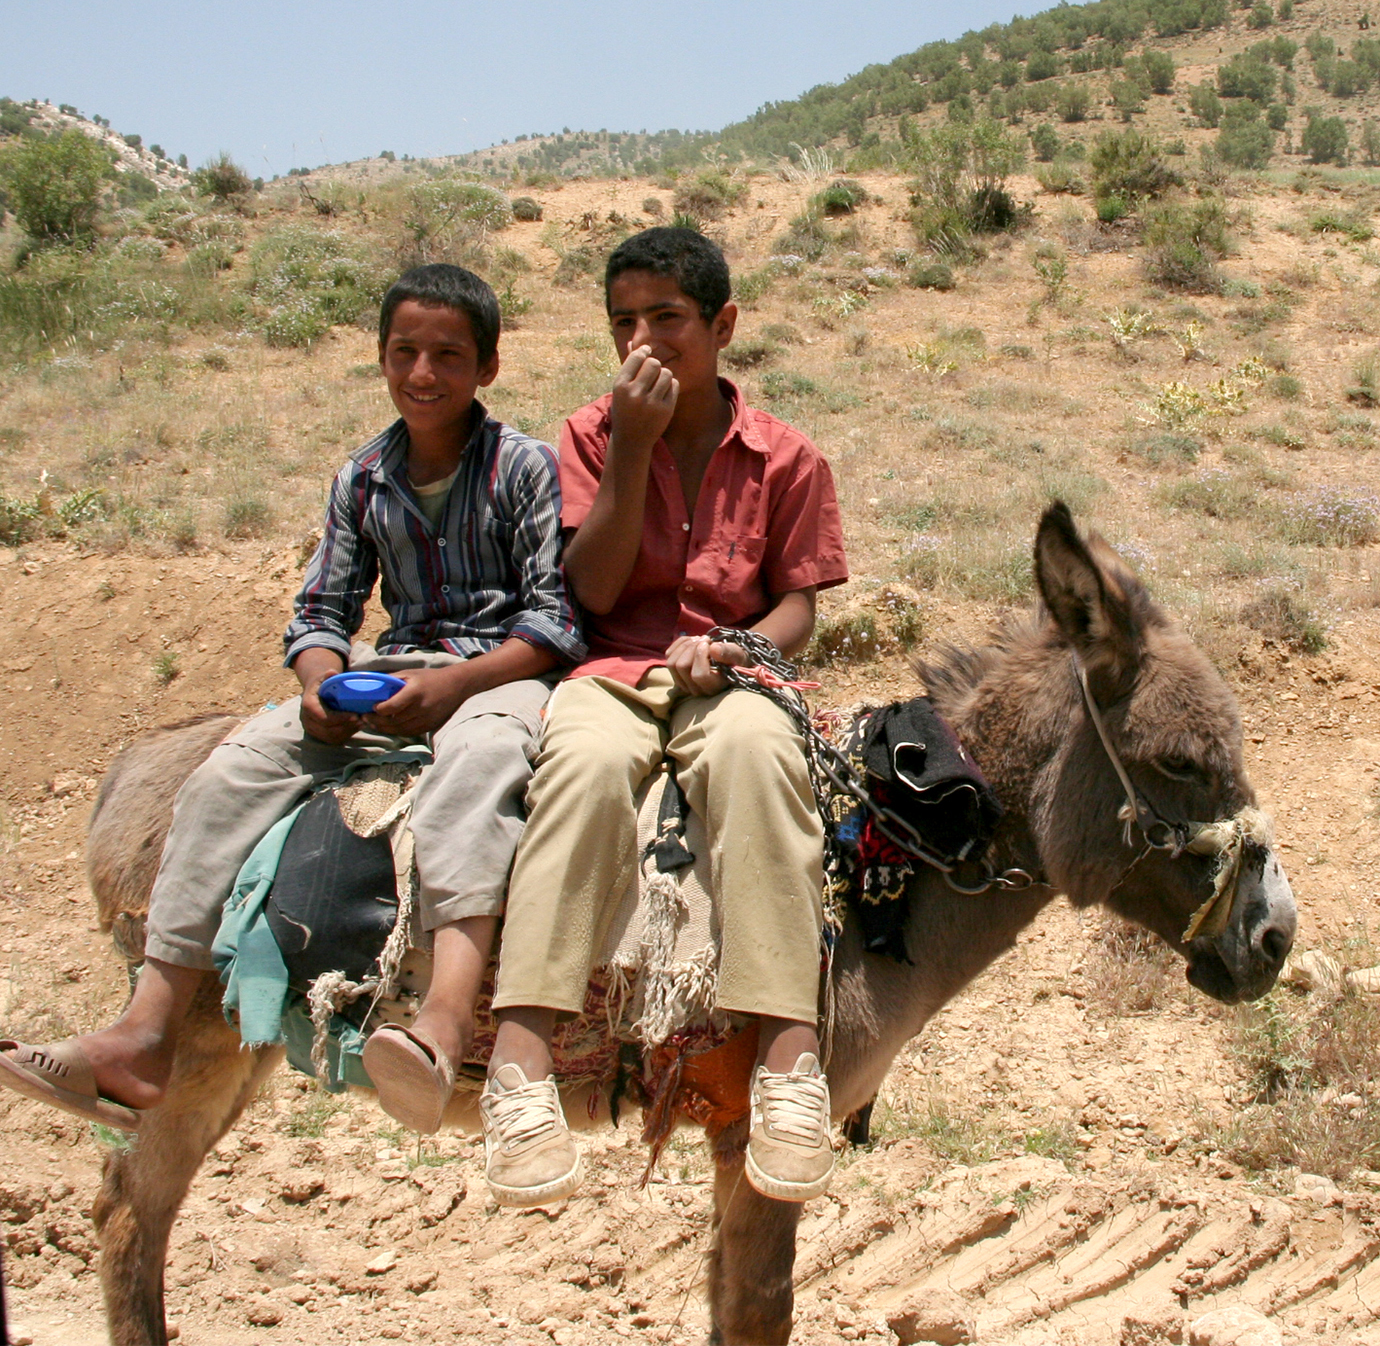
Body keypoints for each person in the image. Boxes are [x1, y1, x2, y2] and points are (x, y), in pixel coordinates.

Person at [0, 263, 581, 1139]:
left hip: (496, 677)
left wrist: (454, 687)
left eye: (448, 356)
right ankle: (145, 1030)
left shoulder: (527, 467)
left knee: (483, 768)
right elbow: (321, 613)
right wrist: (319, 688)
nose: (423, 373)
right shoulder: (361, 479)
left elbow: (551, 617)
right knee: (230, 772)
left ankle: (446, 1019)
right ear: (381, 358)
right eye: (405, 352)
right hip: (394, 667)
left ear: (487, 368)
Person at [477, 226, 848, 1209]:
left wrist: (735, 647)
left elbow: (799, 606)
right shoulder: (594, 435)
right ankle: (517, 1068)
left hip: (728, 675)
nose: (644, 339)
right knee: (583, 771)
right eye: (622, 323)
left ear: (721, 325)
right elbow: (591, 587)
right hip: (611, 667)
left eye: (667, 319)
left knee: (763, 757)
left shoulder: (786, 458)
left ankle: (787, 1063)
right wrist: (634, 448)